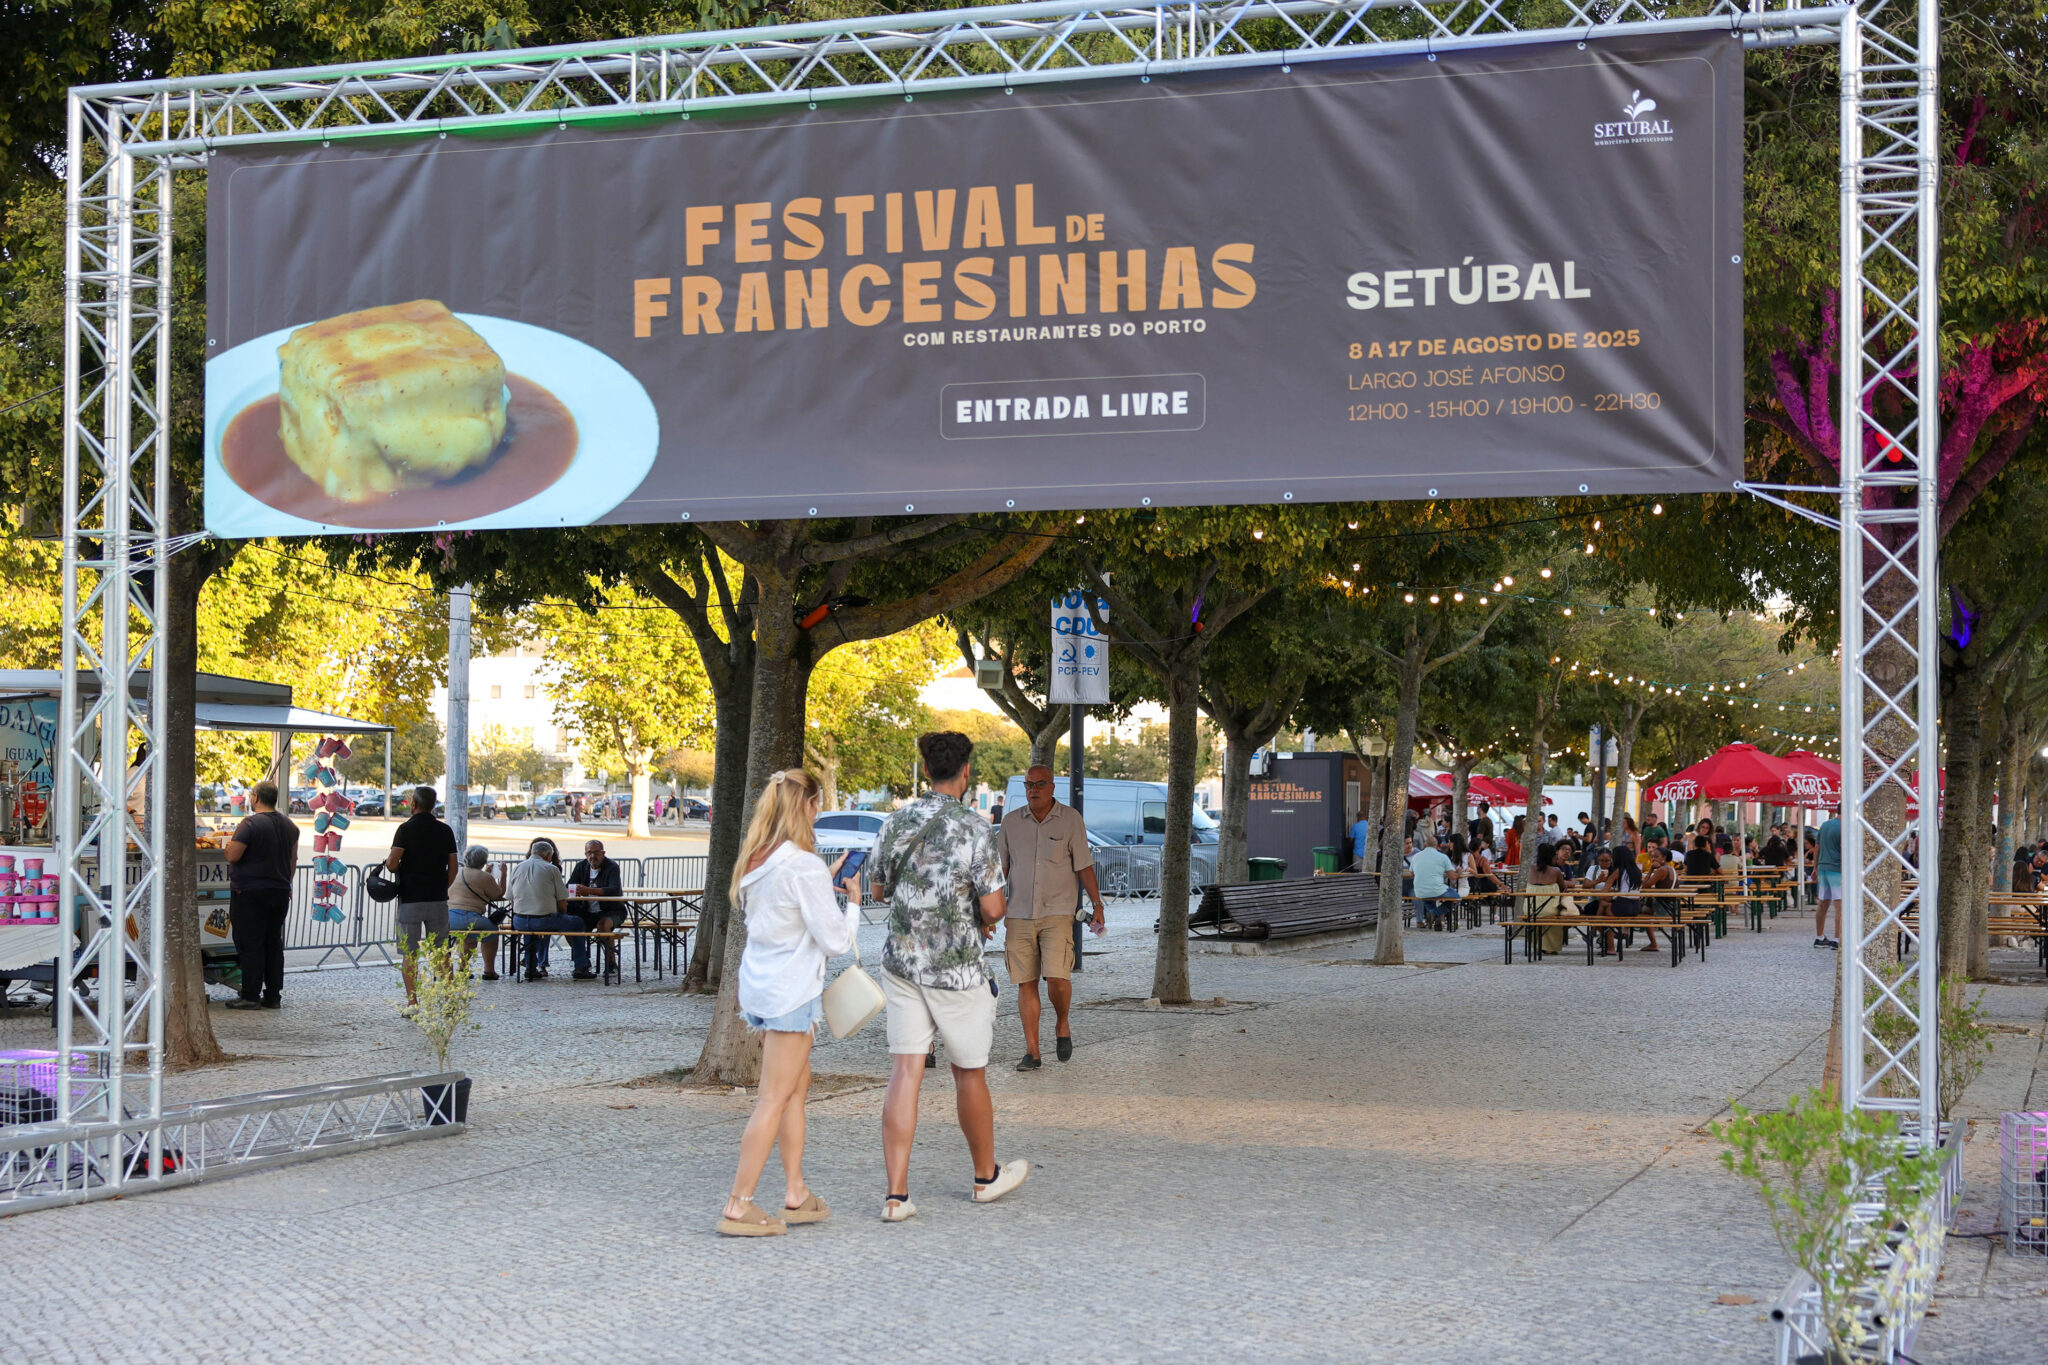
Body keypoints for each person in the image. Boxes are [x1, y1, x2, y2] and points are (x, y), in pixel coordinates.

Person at [870, 732, 1029, 1220]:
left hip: (902, 965)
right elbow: (994, 907)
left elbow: (878, 889)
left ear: (926, 767)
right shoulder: (975, 828)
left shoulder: (895, 821)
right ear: (965, 773)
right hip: (957, 970)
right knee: (969, 1071)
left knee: (906, 1070)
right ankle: (985, 1178)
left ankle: (896, 1196)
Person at [717, 768, 861, 1237]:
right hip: (791, 993)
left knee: (796, 1089)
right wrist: (852, 901)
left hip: (761, 986)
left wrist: (824, 881)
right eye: (817, 805)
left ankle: (796, 1191)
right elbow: (835, 940)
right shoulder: (803, 865)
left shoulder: (758, 858)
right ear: (808, 806)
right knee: (774, 1098)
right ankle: (739, 1205)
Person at [997, 765, 1107, 1071]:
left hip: (1058, 912)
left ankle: (1062, 1022)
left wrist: (1096, 904)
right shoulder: (1010, 823)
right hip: (1019, 914)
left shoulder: (1070, 819)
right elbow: (1000, 872)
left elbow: (1084, 865)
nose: (1032, 790)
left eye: (1039, 784)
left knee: (1058, 977)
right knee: (1025, 982)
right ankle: (1032, 1052)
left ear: (1052, 787)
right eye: (1028, 785)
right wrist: (989, 912)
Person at [222, 780, 300, 1011]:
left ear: (255, 797)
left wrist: (227, 846)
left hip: (249, 892)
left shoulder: (249, 825)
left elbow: (233, 856)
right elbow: (293, 860)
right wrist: (286, 882)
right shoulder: (290, 826)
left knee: (250, 943)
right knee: (273, 943)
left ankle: (250, 995)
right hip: (279, 891)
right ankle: (273, 995)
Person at [386, 786, 458, 1006]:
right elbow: (453, 867)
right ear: (433, 805)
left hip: (410, 899)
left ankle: (412, 1002)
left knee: (410, 953)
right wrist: (441, 887)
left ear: (413, 804)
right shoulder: (445, 831)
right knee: (441, 951)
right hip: (437, 899)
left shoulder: (405, 830)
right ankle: (448, 999)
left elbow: (392, 863)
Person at [509, 837, 588, 980]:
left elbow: (510, 897)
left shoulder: (517, 868)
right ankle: (581, 966)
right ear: (548, 855)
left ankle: (531, 967)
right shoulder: (551, 869)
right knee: (577, 923)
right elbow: (562, 902)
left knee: (529, 929)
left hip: (519, 920)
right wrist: (562, 914)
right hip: (543, 920)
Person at [566, 838, 625, 980]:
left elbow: (613, 889)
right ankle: (583, 961)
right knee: (569, 926)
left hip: (612, 910)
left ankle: (611, 963)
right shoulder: (581, 867)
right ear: (586, 854)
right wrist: (574, 890)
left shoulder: (612, 867)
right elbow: (569, 885)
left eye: (596, 852)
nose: (592, 856)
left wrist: (588, 890)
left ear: (603, 853)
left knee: (603, 925)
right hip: (585, 911)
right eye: (589, 853)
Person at [446, 845, 506, 981]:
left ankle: (463, 968)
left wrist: (487, 873)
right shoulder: (484, 877)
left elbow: (474, 882)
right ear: (484, 861)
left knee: (469, 935)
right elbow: (499, 894)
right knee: (492, 931)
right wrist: (504, 875)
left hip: (450, 917)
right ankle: (489, 971)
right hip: (471, 917)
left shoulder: (457, 871)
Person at [1526, 842, 1577, 954]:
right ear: (1553, 856)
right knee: (1562, 912)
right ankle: (1550, 947)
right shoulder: (1556, 871)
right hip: (1547, 908)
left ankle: (1539, 944)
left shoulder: (1531, 869)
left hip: (1530, 908)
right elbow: (1563, 888)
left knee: (1544, 915)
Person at [1409, 836, 1458, 930]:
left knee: (1429, 896)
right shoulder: (1443, 857)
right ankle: (1437, 913)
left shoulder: (1416, 856)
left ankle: (1433, 915)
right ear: (1437, 846)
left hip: (1419, 890)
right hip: (1436, 889)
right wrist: (1458, 873)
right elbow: (1452, 876)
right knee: (1456, 897)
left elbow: (1412, 874)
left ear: (1424, 845)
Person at [1815, 805, 1843, 949]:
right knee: (1840, 906)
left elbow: (1817, 848)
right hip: (1837, 869)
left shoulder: (1825, 826)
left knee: (1823, 903)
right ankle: (1838, 939)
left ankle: (1819, 937)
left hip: (1823, 867)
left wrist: (1815, 867)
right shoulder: (1845, 828)